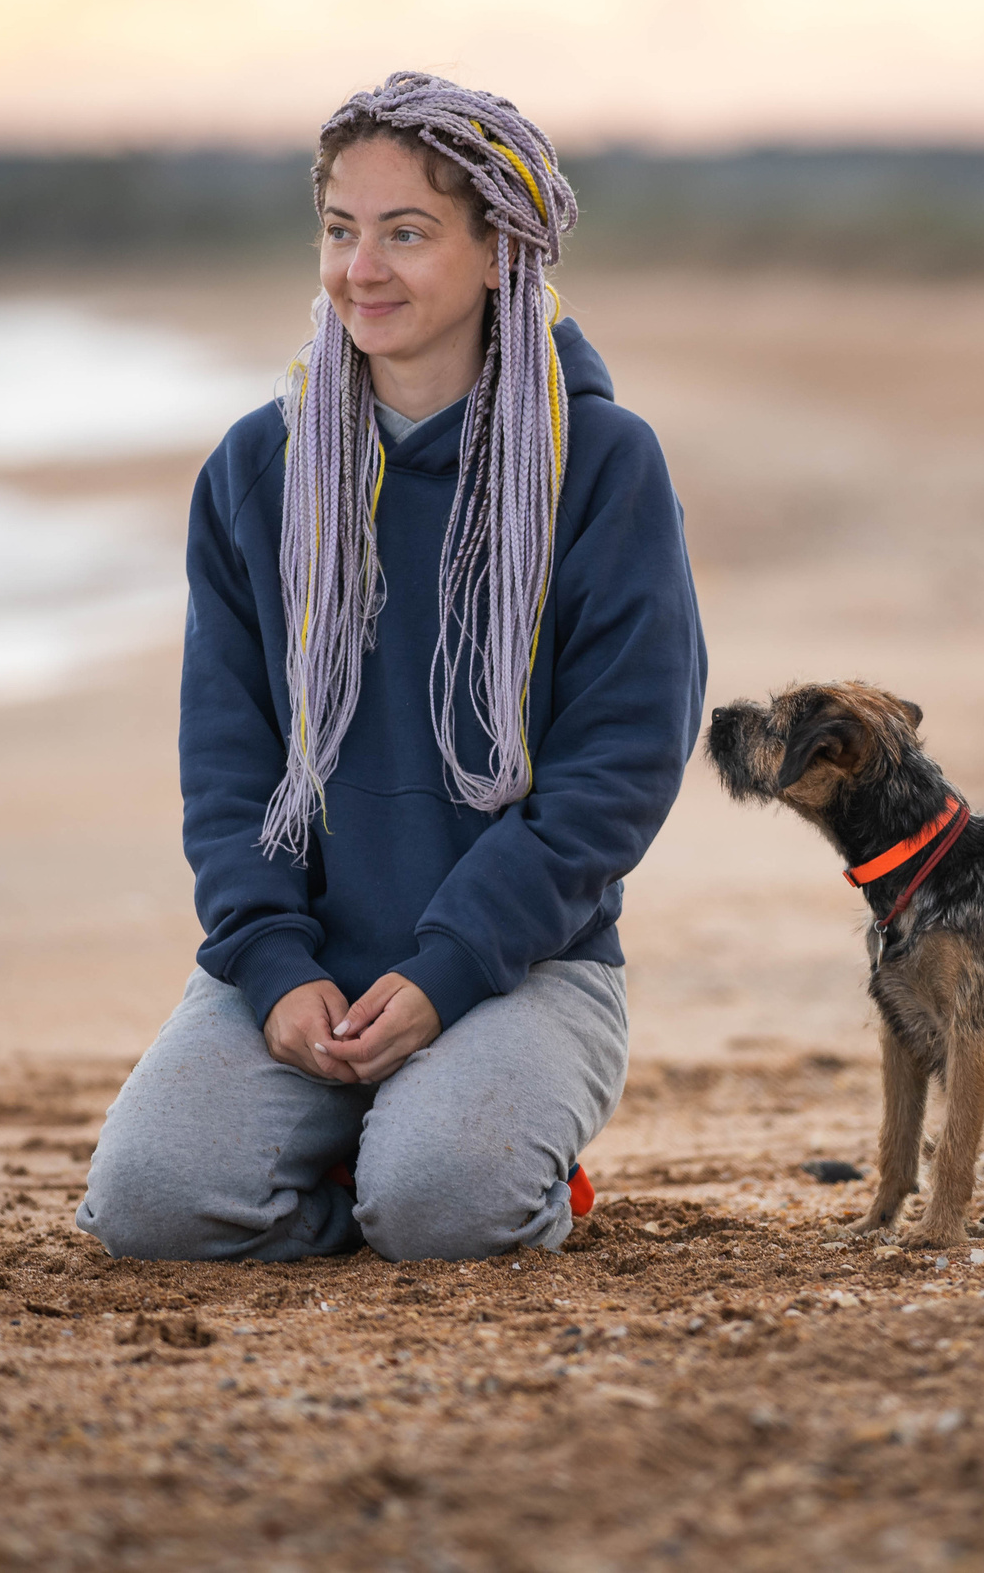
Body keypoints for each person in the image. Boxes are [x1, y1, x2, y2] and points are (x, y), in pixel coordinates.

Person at [76, 73, 706, 1262]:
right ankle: (360, 1162)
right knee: (149, 1208)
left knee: (448, 1209)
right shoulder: (258, 471)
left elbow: (618, 771)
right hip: (303, 967)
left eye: (406, 233)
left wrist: (449, 968)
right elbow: (229, 764)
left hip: (522, 963)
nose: (361, 269)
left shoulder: (605, 467)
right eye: (338, 229)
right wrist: (270, 964)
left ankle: (436, 1162)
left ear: (497, 253)